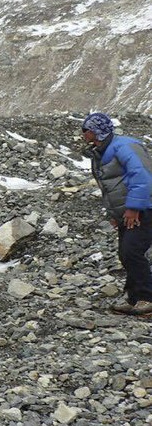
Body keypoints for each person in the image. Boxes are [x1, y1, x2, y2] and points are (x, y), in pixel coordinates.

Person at [82, 112, 152, 316]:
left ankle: (147, 298)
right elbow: (110, 186)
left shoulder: (125, 147)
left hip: (144, 209)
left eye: (86, 130)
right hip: (127, 212)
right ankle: (134, 297)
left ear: (96, 131)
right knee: (126, 253)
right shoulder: (101, 150)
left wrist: (133, 208)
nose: (83, 135)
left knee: (132, 252)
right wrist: (115, 213)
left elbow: (144, 177)